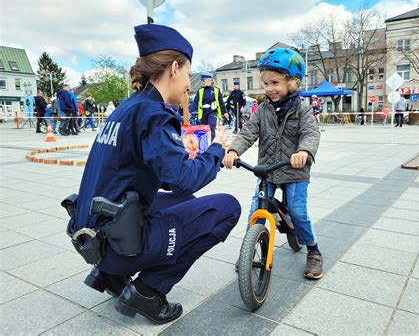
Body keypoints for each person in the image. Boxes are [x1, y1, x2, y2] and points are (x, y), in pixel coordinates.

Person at [70, 24, 240, 324]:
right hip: (117, 242)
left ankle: (109, 276)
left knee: (184, 199)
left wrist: (183, 158)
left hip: (94, 235)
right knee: (226, 208)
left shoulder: (128, 109)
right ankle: (148, 291)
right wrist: (215, 150)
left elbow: (150, 172)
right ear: (174, 69)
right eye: (188, 74)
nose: (190, 84)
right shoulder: (154, 114)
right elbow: (183, 177)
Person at [223, 48, 322, 280]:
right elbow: (248, 132)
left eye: (275, 82)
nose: (269, 88)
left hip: (294, 169)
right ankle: (249, 251)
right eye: (266, 83)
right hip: (268, 170)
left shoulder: (303, 109)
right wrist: (234, 149)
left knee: (298, 212)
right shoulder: (263, 110)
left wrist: (304, 151)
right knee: (255, 211)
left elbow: (311, 134)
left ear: (293, 81)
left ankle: (313, 250)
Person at [191, 73, 229, 140]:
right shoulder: (200, 91)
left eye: (209, 80)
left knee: (212, 126)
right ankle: (204, 145)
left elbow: (221, 102)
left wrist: (225, 112)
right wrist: (190, 111)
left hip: (213, 112)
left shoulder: (216, 90)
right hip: (203, 113)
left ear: (211, 81)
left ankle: (212, 143)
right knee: (204, 129)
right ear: (204, 81)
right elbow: (195, 102)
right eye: (207, 80)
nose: (208, 81)